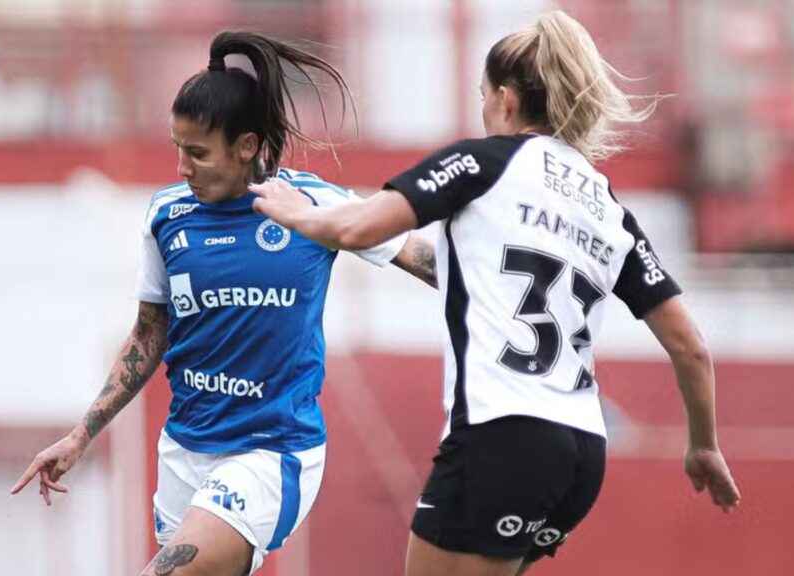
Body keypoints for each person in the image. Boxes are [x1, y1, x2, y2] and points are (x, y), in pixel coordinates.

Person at [250, 10, 741, 576]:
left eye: (483, 96)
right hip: (582, 454)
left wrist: (294, 210)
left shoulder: (483, 164)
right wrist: (704, 444)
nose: (483, 109)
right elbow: (691, 347)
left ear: (506, 100)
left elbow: (358, 226)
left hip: (501, 433)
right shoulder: (610, 211)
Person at [10, 31, 436, 576]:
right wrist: (80, 435)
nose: (182, 168)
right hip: (184, 452)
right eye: (177, 148)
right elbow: (148, 333)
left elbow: (428, 262)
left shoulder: (312, 205)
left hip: (271, 454)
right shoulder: (167, 216)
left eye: (198, 153)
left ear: (247, 146)